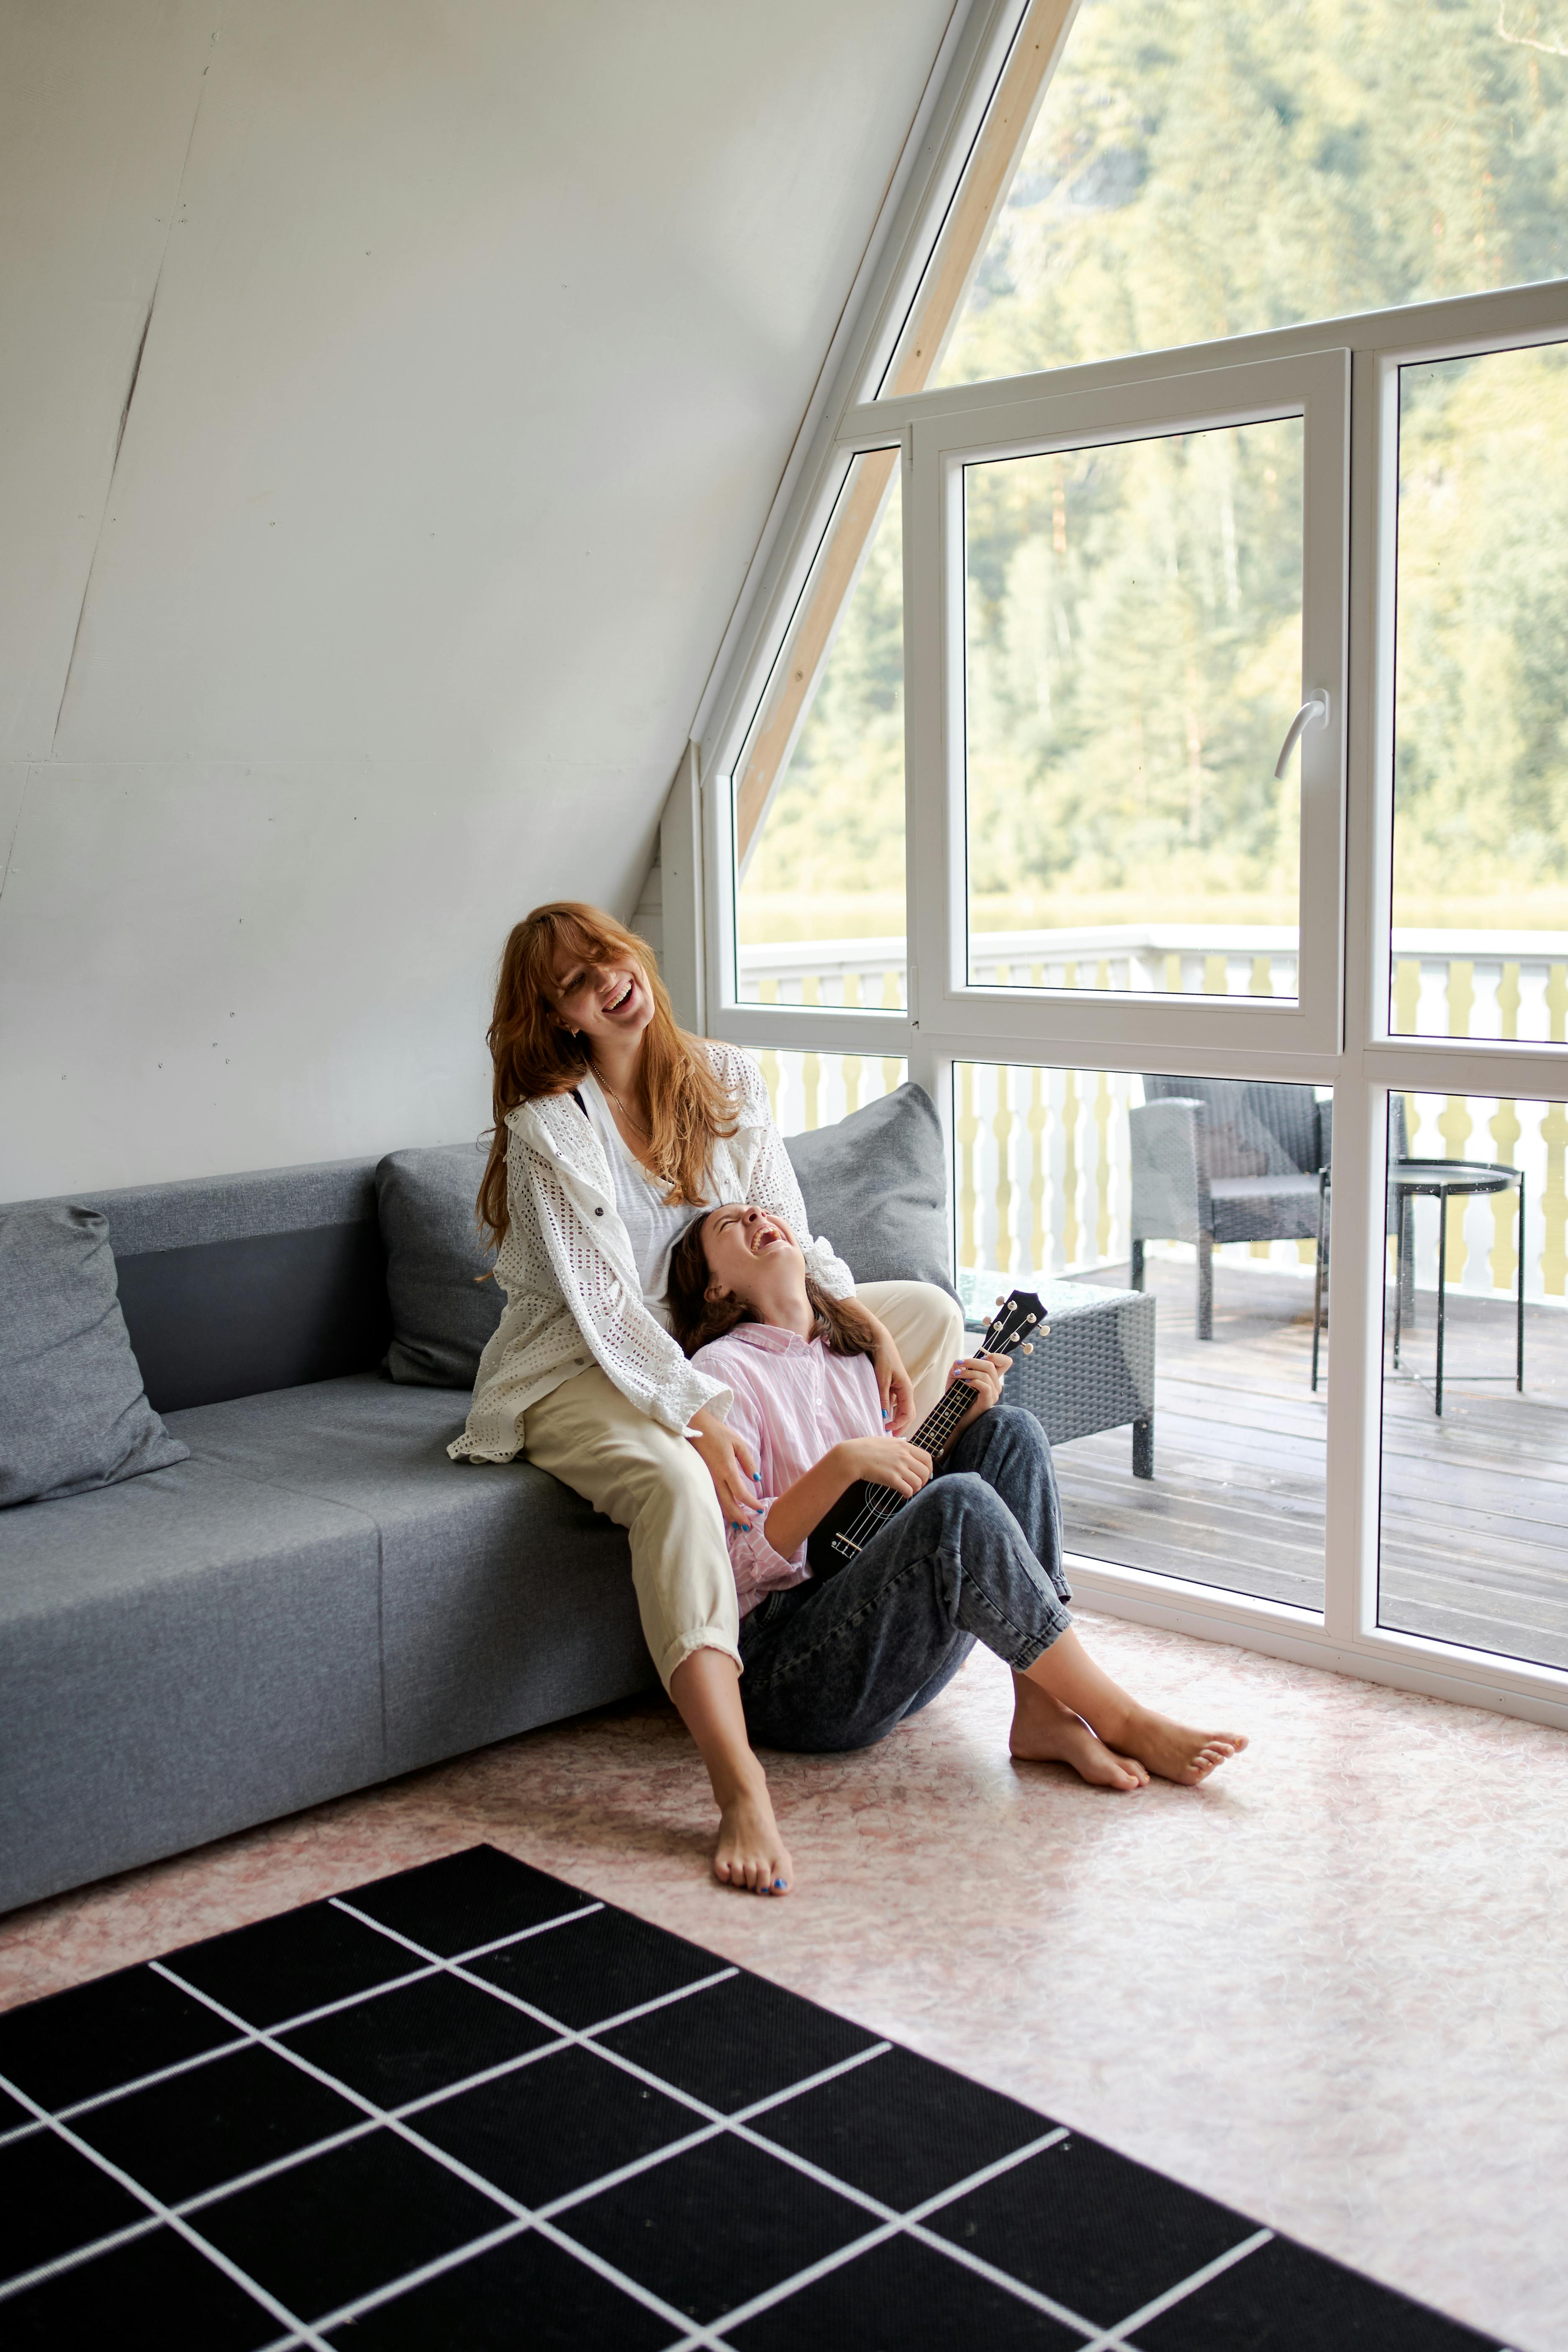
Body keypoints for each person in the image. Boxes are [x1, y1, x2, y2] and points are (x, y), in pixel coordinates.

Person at [450, 901, 965, 1898]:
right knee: (676, 1483)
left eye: (607, 954)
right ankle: (737, 1785)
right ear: (559, 1018)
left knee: (931, 1316)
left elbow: (793, 1231)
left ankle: (848, 1555)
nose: (607, 978)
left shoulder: (722, 1074)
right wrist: (699, 1408)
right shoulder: (549, 1127)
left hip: (714, 1340)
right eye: (573, 980)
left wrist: (856, 1320)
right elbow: (604, 1306)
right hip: (578, 1366)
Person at [665, 1201, 1248, 1864]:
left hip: (882, 1646)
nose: (756, 1217)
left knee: (1011, 1433)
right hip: (791, 1675)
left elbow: (880, 1513)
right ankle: (1121, 1717)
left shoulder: (852, 1358)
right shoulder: (719, 1373)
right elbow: (737, 1563)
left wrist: (962, 1420)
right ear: (716, 1287)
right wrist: (843, 1463)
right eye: (731, 1227)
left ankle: (1044, 1711)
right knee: (959, 1503)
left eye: (760, 1211)